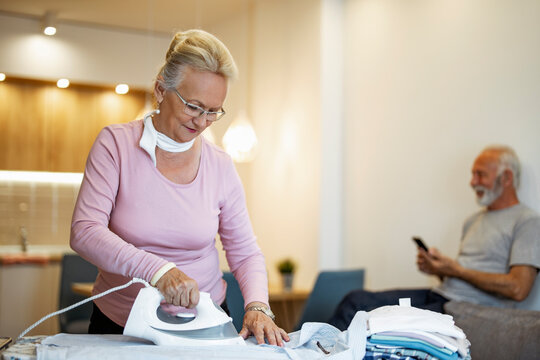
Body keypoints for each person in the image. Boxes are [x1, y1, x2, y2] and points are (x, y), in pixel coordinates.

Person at [71, 29, 289, 346]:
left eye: (214, 111)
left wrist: (258, 305)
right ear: (161, 90)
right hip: (121, 323)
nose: (202, 122)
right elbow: (85, 230)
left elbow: (244, 252)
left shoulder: (220, 165)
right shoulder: (115, 145)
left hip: (205, 321)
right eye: (193, 106)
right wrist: (160, 272)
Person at [329, 145, 540, 330]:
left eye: (480, 174)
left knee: (367, 316)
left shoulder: (527, 221)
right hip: (440, 294)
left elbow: (518, 288)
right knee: (355, 299)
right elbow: (464, 276)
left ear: (507, 178)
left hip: (462, 307)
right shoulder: (473, 220)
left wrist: (456, 269)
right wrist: (439, 270)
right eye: (472, 174)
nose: (472, 182)